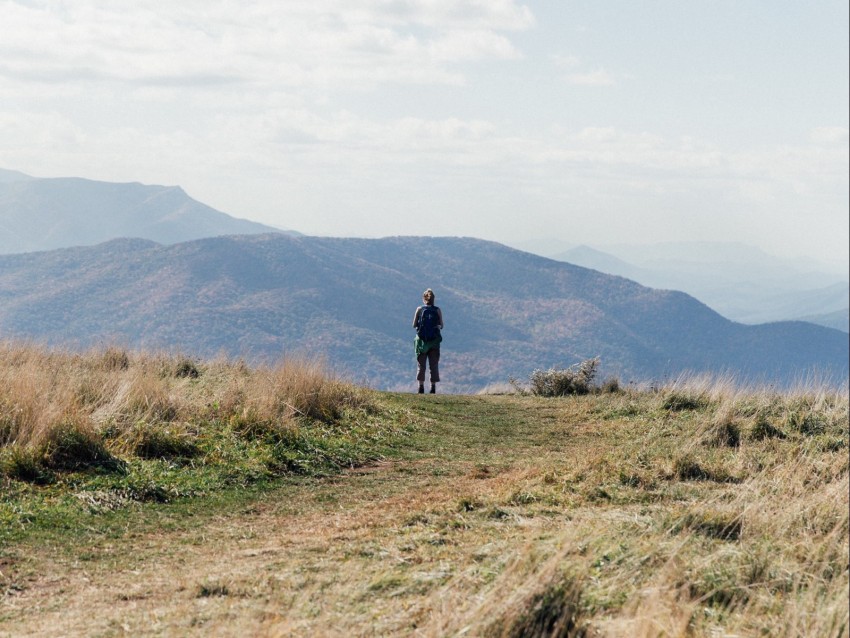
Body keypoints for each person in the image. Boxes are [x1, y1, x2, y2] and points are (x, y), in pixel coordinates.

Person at [413, 288, 443, 394]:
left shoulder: (419, 309)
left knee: (421, 365)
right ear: (433, 299)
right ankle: (433, 387)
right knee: (433, 365)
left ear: (423, 299)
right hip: (434, 342)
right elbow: (442, 325)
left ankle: (421, 387)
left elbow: (414, 325)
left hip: (421, 342)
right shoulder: (437, 310)